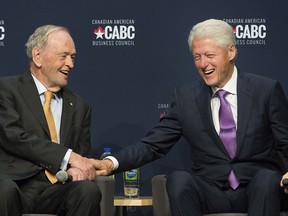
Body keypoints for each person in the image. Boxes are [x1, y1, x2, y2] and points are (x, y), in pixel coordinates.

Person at [95, 19, 288, 215]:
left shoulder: (265, 90)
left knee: (267, 179)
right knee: (178, 180)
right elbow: (153, 144)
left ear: (231, 52)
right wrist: (111, 163)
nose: (203, 64)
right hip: (210, 192)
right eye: (197, 57)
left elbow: (286, 141)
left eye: (209, 55)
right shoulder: (186, 97)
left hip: (257, 190)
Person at [0, 25, 101, 216]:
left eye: (73, 57)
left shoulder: (80, 106)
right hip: (15, 184)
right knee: (3, 191)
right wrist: (67, 157)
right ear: (37, 56)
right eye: (63, 56)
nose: (70, 64)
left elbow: (81, 155)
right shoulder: (6, 90)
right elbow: (12, 137)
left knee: (87, 191)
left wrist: (74, 168)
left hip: (56, 188)